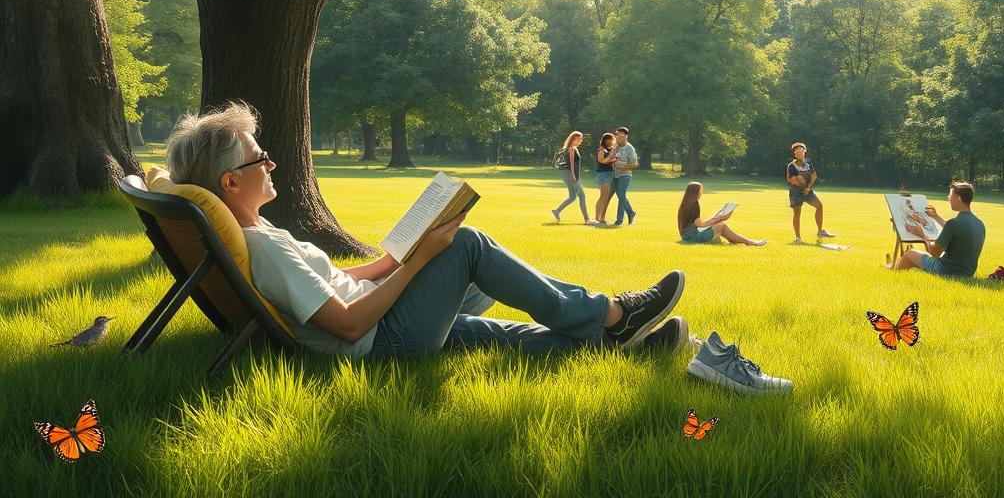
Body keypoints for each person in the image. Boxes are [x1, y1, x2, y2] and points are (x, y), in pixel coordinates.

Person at [165, 103, 689, 358]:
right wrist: (421, 260)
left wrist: (395, 258)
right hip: (383, 338)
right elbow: (345, 325)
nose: (272, 165)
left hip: (383, 316)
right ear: (232, 181)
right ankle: (612, 314)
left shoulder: (260, 231)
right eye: (261, 159)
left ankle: (617, 344)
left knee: (495, 327)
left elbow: (333, 279)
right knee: (466, 245)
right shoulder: (261, 246)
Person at [894, 180, 986, 277]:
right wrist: (936, 216)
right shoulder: (979, 223)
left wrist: (923, 235)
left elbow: (934, 253)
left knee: (910, 254)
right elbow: (957, 230)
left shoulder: (954, 224)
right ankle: (893, 267)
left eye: (950, 195)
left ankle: (894, 275)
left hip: (947, 270)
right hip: (968, 272)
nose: (948, 198)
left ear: (959, 198)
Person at [677, 182, 766, 246]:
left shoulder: (685, 203)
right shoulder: (694, 205)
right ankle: (749, 242)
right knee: (721, 225)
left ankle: (742, 241)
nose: (701, 192)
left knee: (719, 224)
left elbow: (698, 224)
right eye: (700, 190)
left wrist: (717, 217)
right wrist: (720, 218)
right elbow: (701, 225)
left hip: (688, 236)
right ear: (695, 192)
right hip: (693, 238)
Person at [786, 142, 835, 243]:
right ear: (794, 154)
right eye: (796, 150)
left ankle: (820, 231)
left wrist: (808, 187)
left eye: (800, 149)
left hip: (808, 191)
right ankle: (798, 238)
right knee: (797, 214)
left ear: (804, 151)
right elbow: (791, 180)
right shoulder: (792, 165)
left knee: (819, 206)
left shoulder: (808, 164)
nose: (798, 151)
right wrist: (800, 182)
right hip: (796, 192)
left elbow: (814, 175)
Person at [551, 131, 595, 225]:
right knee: (582, 195)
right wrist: (574, 176)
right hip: (571, 175)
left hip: (567, 175)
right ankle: (587, 220)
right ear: (574, 139)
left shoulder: (571, 148)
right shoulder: (571, 149)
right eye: (579, 139)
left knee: (572, 197)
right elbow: (571, 164)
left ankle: (557, 211)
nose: (581, 141)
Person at [611, 126, 638, 226]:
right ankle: (623, 218)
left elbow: (634, 164)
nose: (619, 138)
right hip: (615, 175)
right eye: (618, 136)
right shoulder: (616, 146)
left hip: (625, 175)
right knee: (621, 197)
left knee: (621, 196)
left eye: (621, 136)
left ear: (626, 136)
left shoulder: (629, 148)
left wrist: (621, 165)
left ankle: (627, 215)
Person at [593, 132, 618, 225]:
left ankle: (600, 218)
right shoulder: (601, 150)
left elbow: (609, 162)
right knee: (603, 197)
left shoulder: (608, 150)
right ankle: (597, 218)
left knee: (605, 197)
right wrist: (612, 157)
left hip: (608, 174)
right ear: (606, 140)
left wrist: (614, 158)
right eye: (611, 140)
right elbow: (601, 161)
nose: (612, 142)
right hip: (603, 174)